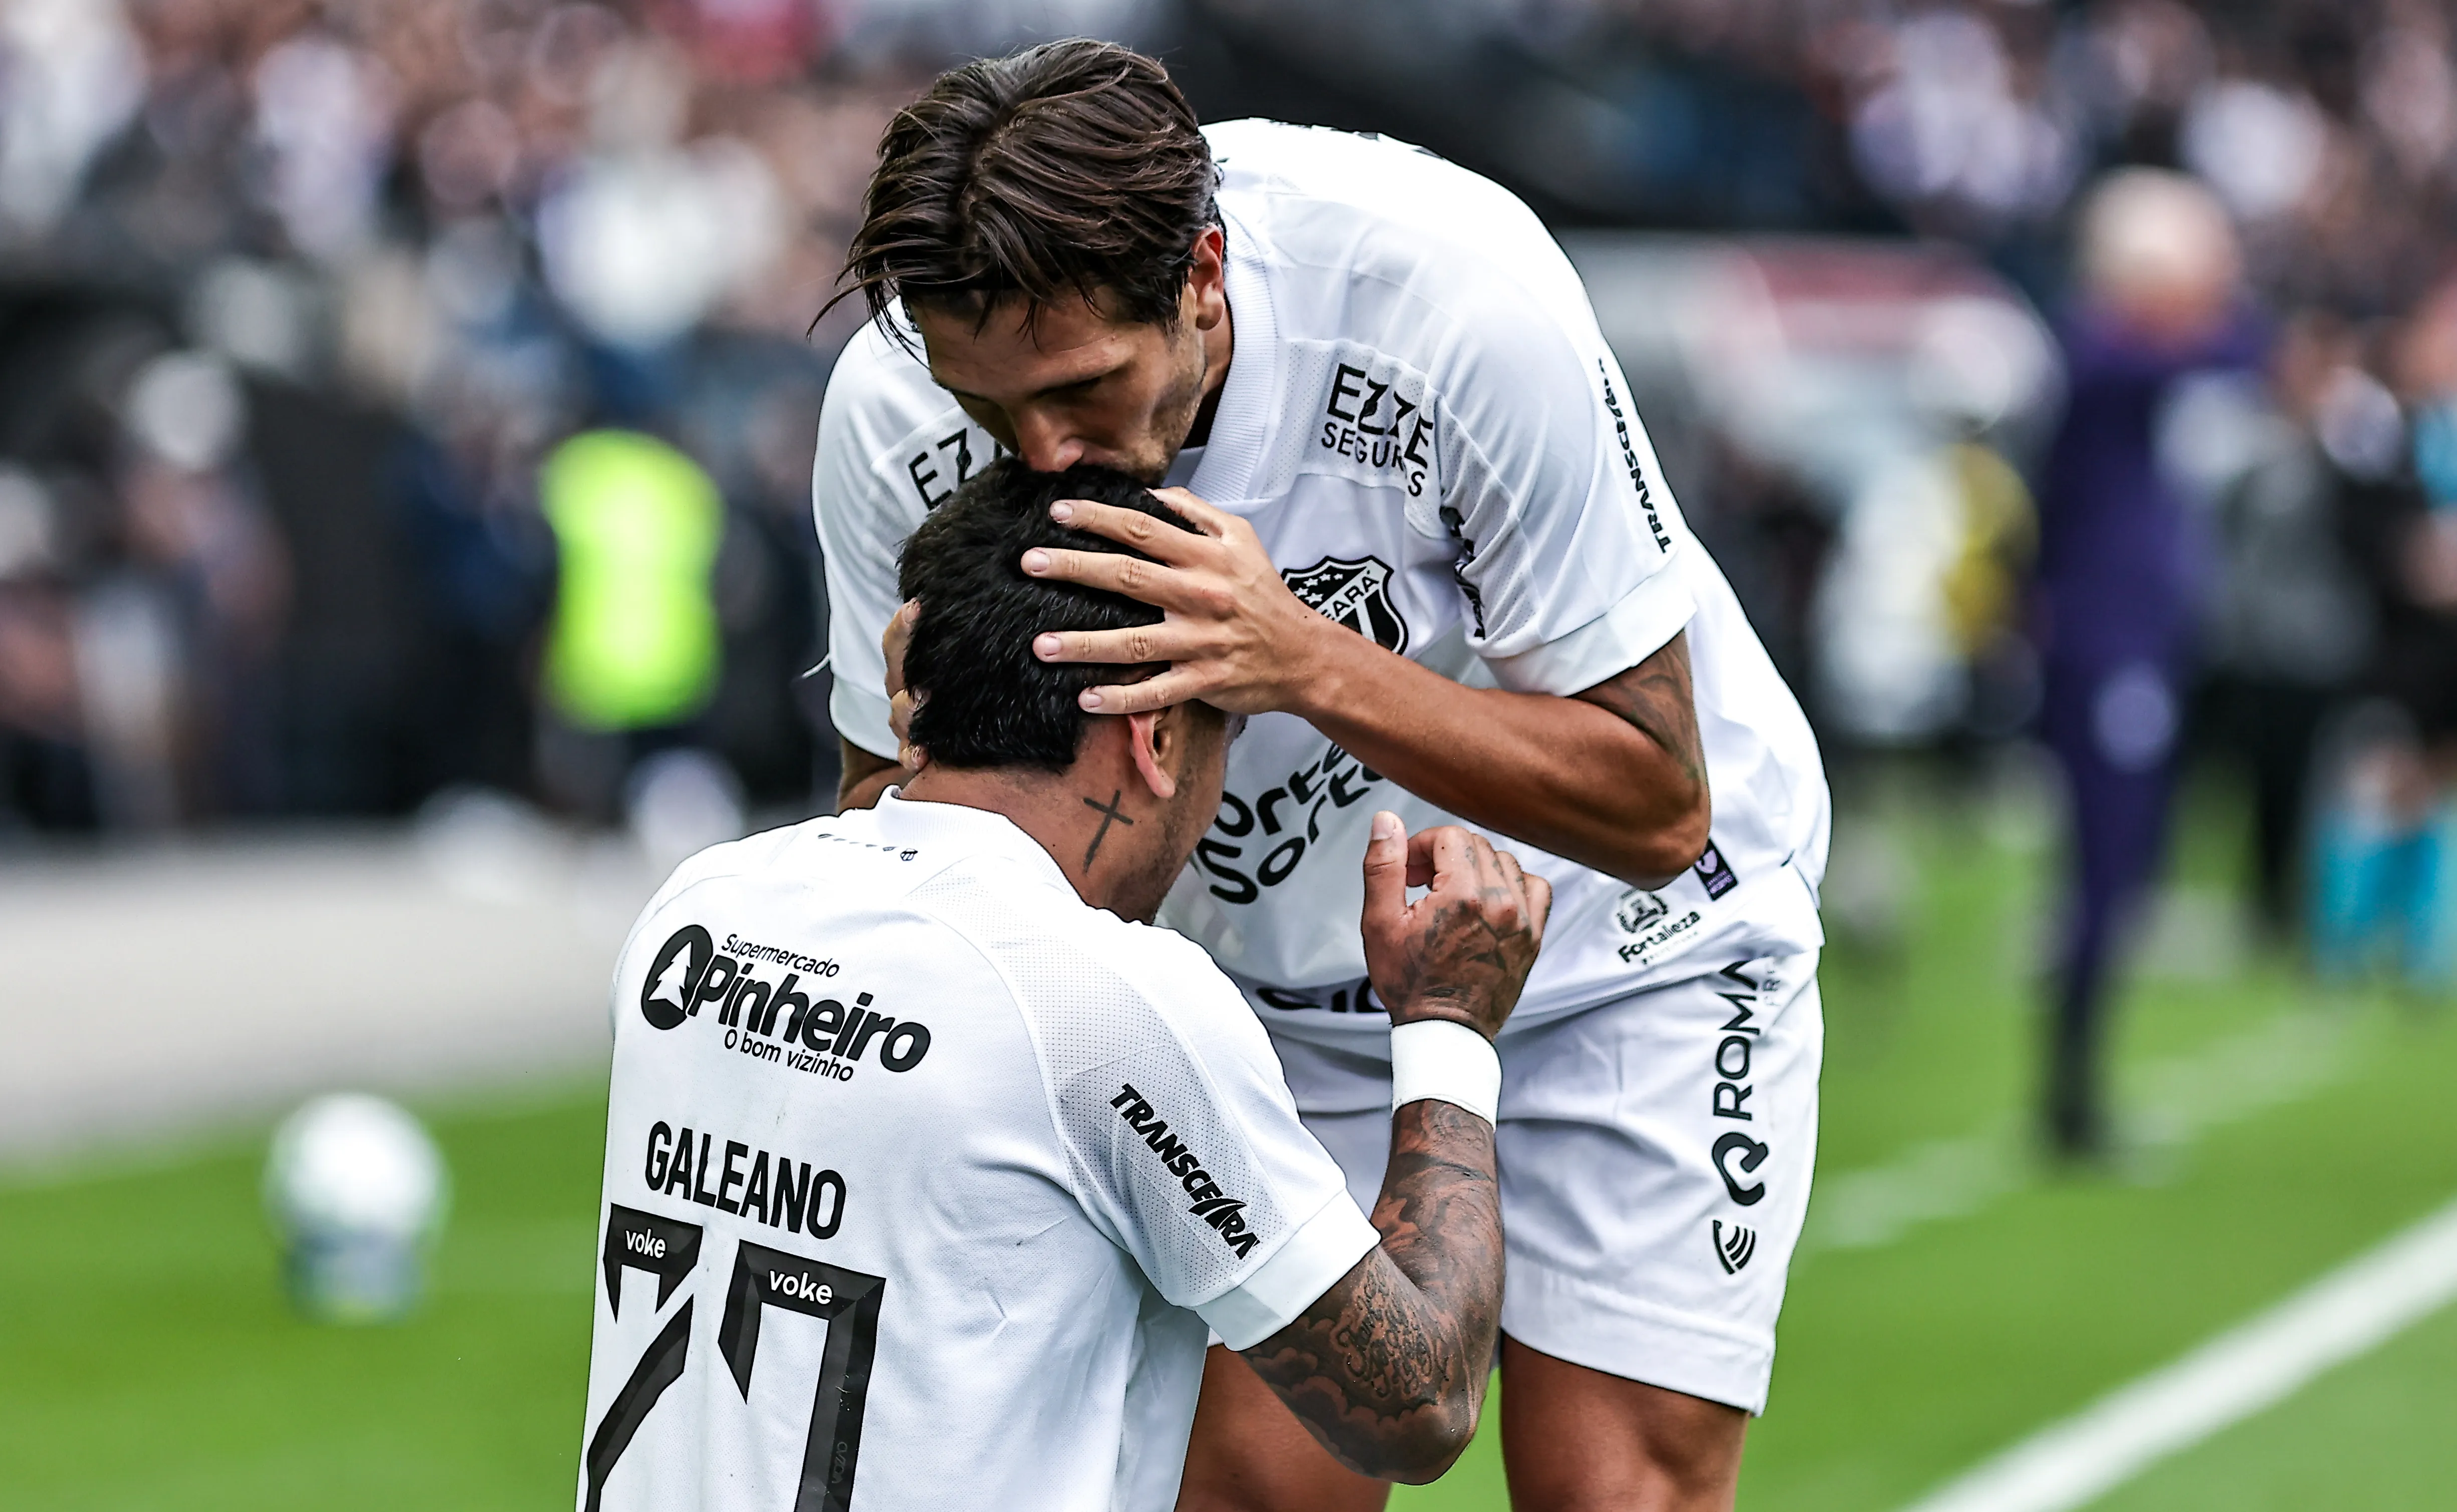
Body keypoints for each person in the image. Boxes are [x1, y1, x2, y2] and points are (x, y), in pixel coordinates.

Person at [813, 40, 1830, 1510]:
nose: (1043, 454)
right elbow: (894, 821)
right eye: (992, 410)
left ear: (1203, 276)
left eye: (1087, 387)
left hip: (1621, 954)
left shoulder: (1451, 298)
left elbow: (1658, 802)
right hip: (1256, 1006)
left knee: (1610, 1492)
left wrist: (1295, 659)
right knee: (1261, 1491)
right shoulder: (890, 406)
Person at [575, 460, 1549, 1511]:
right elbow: (1418, 1402)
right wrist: (1448, 1022)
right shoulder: (1102, 1000)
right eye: (1225, 733)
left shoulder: (702, 908)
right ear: (1157, 736)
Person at [2032, 170, 2261, 1157]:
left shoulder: (2119, 363)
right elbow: (2245, 346)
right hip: (2109, 646)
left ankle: (2079, 1092)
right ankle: (2071, 1100)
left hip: (2131, 640)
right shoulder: (2105, 358)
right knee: (2104, 868)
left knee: (2121, 870)